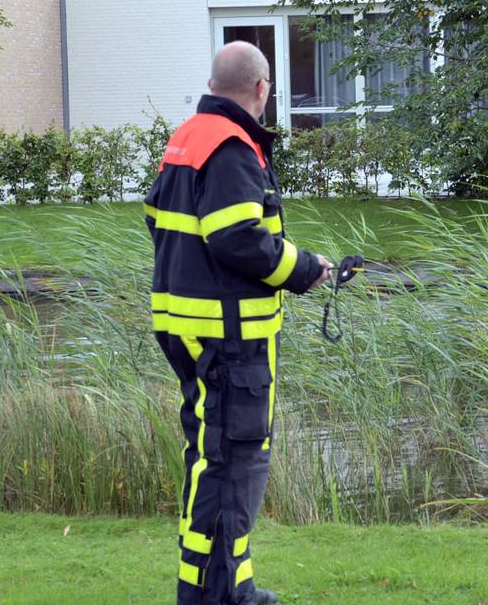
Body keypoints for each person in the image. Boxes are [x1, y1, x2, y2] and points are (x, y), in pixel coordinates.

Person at [146, 41, 332, 605]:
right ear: (261, 87)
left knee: (216, 459)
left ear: (213, 84)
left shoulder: (188, 137)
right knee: (233, 462)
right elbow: (237, 238)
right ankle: (215, 595)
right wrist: (304, 269)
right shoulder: (230, 145)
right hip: (229, 337)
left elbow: (156, 217)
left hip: (190, 326)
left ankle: (230, 587)